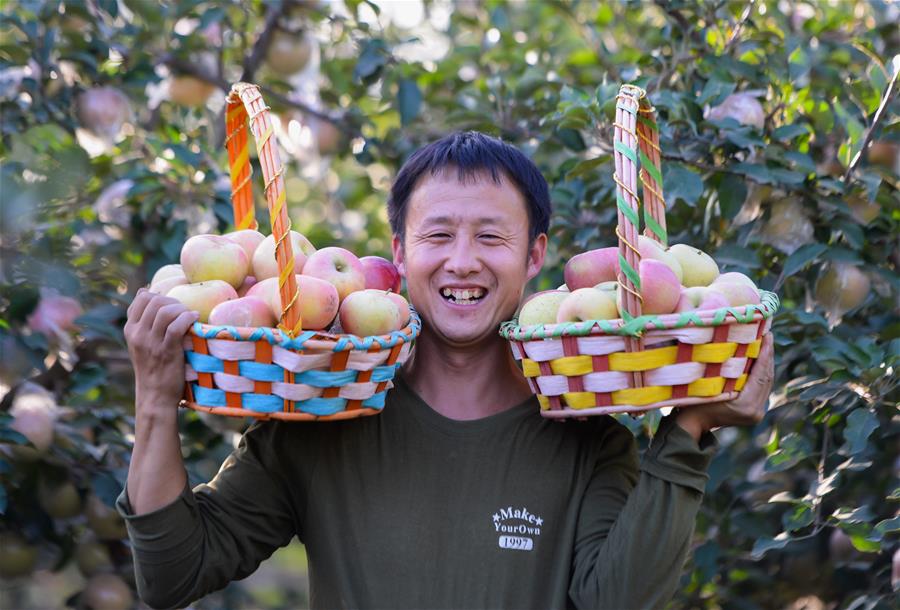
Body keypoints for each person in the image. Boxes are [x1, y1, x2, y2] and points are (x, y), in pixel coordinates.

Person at [119, 131, 774, 609]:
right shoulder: (324, 419)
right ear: (400, 254)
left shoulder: (588, 438)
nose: (462, 262)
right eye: (437, 236)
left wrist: (688, 429)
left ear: (535, 256)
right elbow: (173, 574)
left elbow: (618, 600)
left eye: (491, 237)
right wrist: (155, 399)